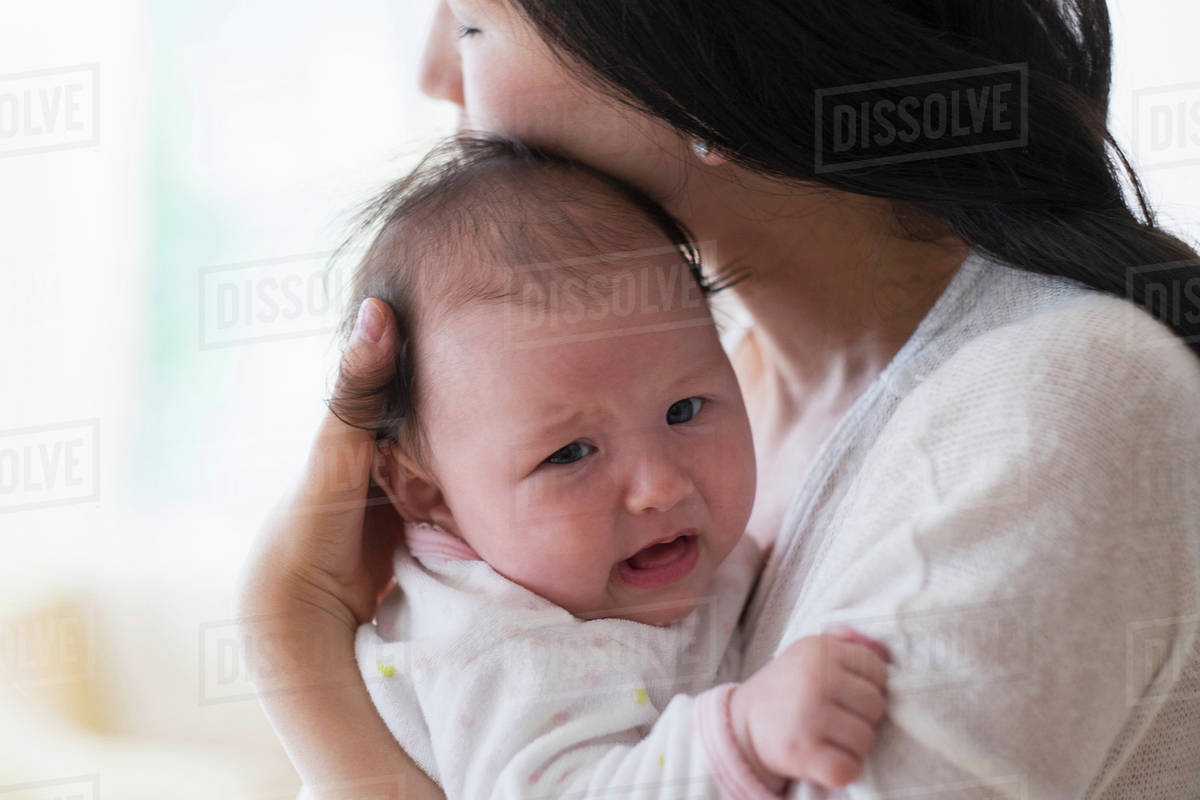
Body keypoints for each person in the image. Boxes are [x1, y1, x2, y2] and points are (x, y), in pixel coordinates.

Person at [239, 1, 1200, 798]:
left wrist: (295, 638)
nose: (433, 73)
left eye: (476, 25)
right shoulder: (705, 392)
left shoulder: (1048, 403)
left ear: (695, 60)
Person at [340, 132, 889, 799]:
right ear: (430, 497)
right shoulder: (497, 645)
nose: (659, 487)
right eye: (569, 455)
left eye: (685, 409)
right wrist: (737, 737)